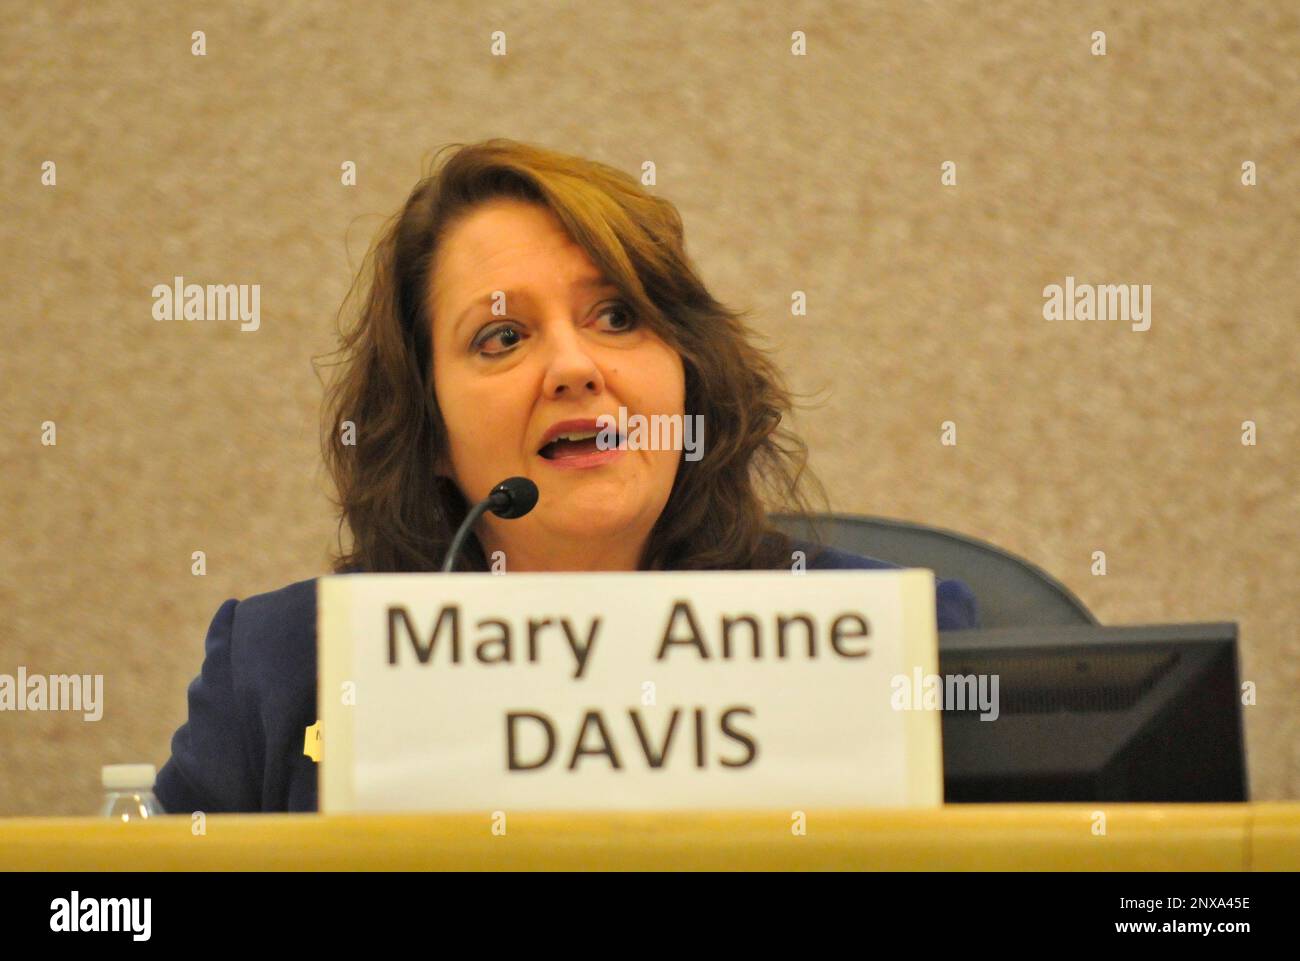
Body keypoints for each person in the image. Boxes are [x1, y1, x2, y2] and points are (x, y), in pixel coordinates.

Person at [154, 139, 979, 814]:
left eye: (617, 316)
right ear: (431, 428)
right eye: (502, 336)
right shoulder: (279, 667)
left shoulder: (892, 642)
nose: (574, 366)